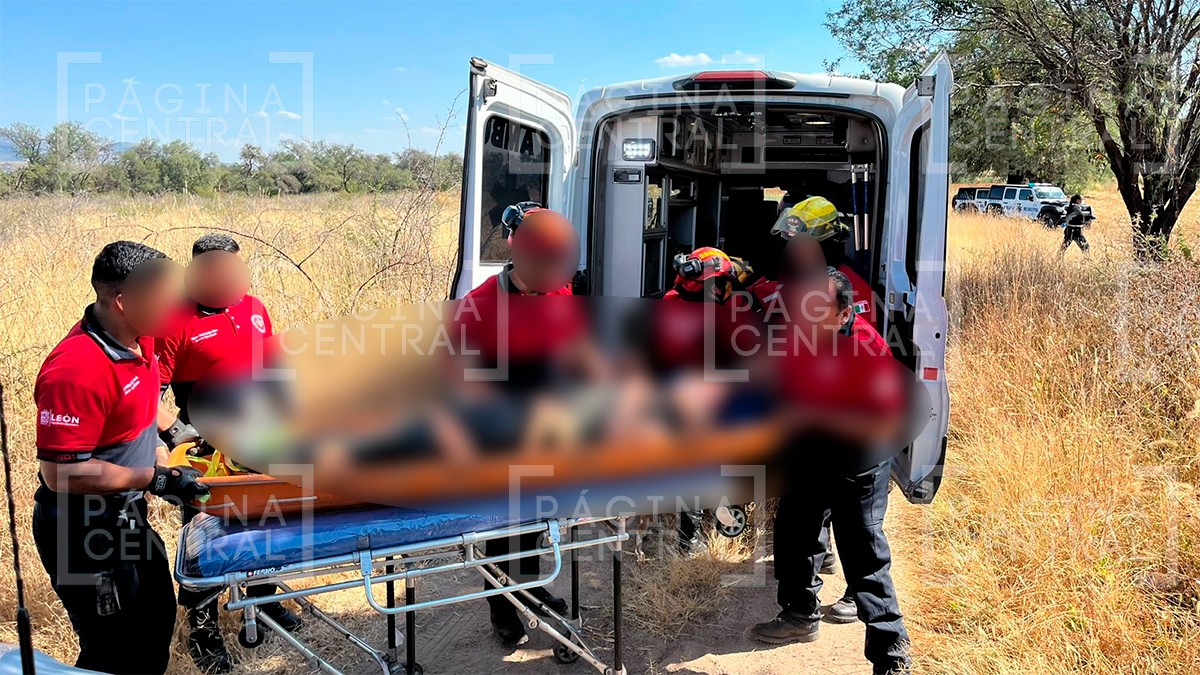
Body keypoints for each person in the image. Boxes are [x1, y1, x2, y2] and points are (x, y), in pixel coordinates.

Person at [31, 241, 210, 674]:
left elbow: (140, 394)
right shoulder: (75, 369)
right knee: (115, 649)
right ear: (124, 301)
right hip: (80, 529)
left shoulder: (139, 338)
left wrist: (177, 429)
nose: (175, 304)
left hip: (126, 516)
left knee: (154, 626)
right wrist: (156, 478)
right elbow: (62, 474)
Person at [750, 236, 911, 675]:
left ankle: (891, 655)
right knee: (795, 534)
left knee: (864, 555)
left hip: (858, 461)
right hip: (809, 454)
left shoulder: (866, 347)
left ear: (844, 313)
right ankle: (800, 615)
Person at [154, 234, 301, 673]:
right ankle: (202, 628)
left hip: (260, 432)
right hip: (206, 444)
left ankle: (263, 600)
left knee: (269, 513)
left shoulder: (253, 307)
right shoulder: (172, 320)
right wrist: (183, 434)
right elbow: (151, 392)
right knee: (207, 532)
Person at [461, 203, 578, 646]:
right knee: (502, 527)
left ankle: (530, 587)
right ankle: (501, 608)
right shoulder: (480, 305)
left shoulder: (560, 293)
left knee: (536, 521)